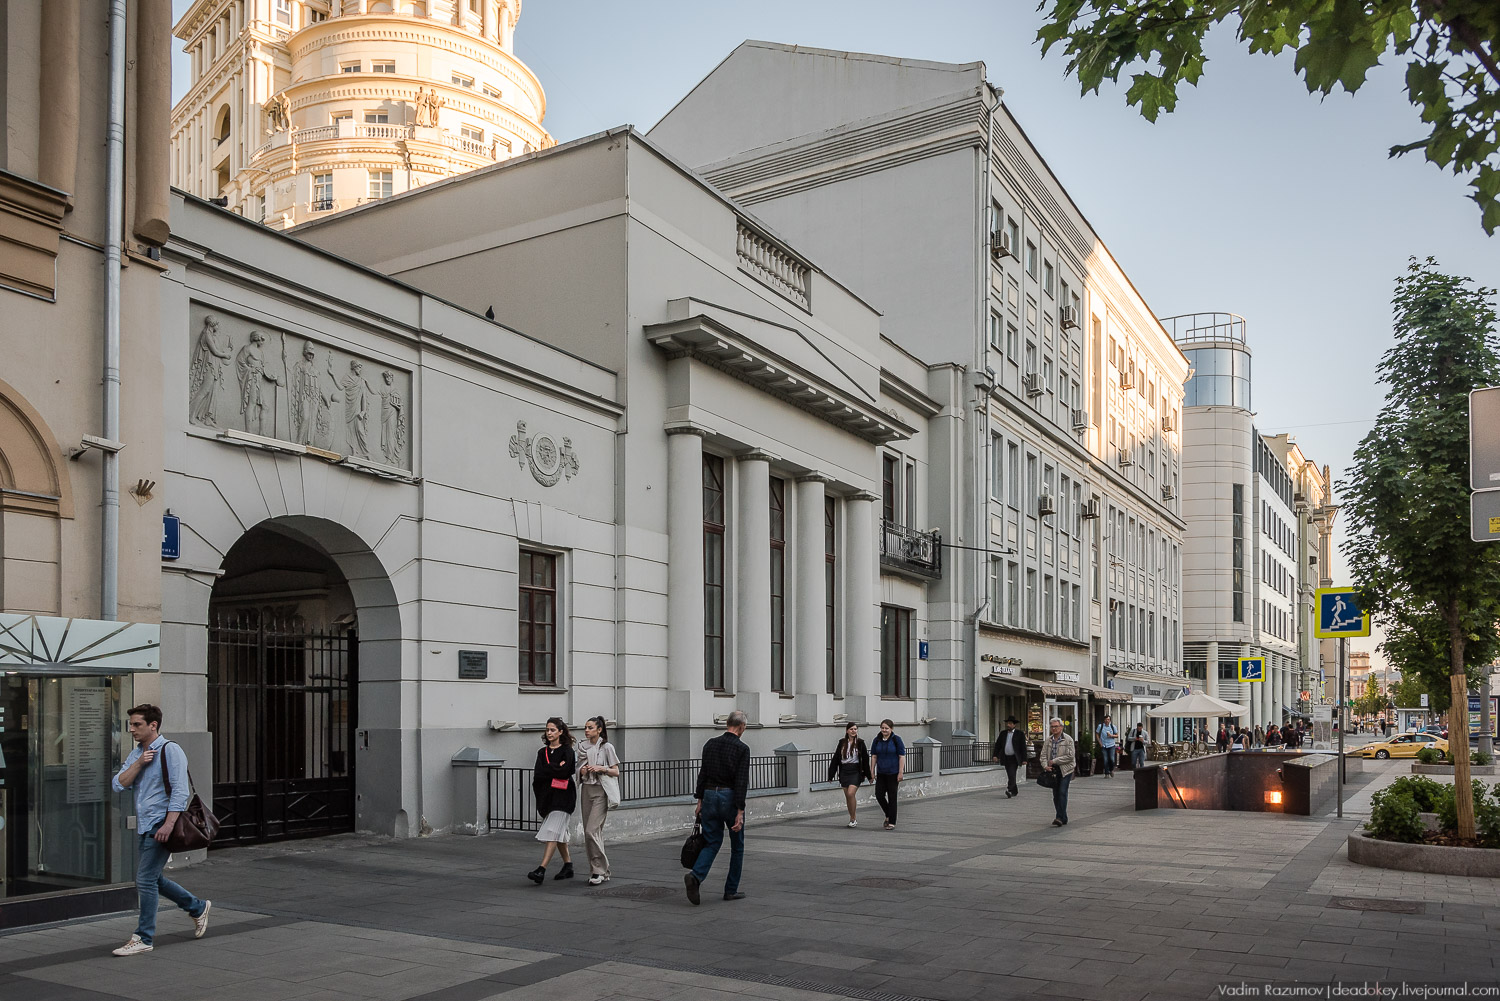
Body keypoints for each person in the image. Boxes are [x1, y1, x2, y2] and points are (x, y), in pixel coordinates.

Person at [109, 704, 211, 956]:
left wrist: (168, 824)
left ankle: (144, 936)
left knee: (144, 878)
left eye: (137, 724)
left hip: (161, 824)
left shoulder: (170, 750)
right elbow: (118, 785)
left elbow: (180, 791)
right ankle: (197, 907)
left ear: (153, 725)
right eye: (130, 724)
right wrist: (139, 764)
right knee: (153, 877)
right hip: (145, 825)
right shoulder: (137, 755)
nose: (131, 729)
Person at [686, 710, 750, 905]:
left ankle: (696, 876)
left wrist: (700, 801)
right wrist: (740, 811)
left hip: (709, 796)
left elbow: (703, 773)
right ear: (741, 727)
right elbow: (741, 781)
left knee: (712, 841)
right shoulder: (742, 748)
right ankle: (731, 890)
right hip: (729, 796)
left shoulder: (710, 744)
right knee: (737, 845)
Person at [528, 717, 577, 884]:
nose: (549, 733)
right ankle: (568, 865)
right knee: (558, 833)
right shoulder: (542, 753)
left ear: (560, 732)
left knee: (552, 831)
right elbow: (539, 775)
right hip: (549, 797)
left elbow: (566, 771)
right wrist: (556, 768)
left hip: (564, 798)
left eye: (553, 730)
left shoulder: (567, 751)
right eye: (547, 730)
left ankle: (541, 869)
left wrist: (551, 769)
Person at [576, 715, 620, 886]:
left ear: (599, 730)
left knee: (590, 831)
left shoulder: (607, 747)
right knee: (593, 834)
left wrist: (602, 768)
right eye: (585, 728)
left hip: (601, 791)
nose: (587, 731)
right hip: (587, 789)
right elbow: (577, 768)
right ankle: (600, 871)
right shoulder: (581, 747)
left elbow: (616, 771)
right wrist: (583, 770)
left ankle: (599, 870)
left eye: (590, 728)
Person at [826, 722, 872, 827]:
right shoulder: (842, 743)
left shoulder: (860, 743)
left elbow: (865, 759)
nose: (853, 731)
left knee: (851, 793)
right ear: (847, 731)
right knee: (847, 796)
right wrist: (831, 775)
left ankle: (853, 817)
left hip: (855, 770)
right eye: (851, 729)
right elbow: (836, 759)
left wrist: (869, 775)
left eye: (855, 729)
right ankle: (852, 818)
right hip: (844, 771)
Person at [870, 719, 906, 827]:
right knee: (879, 795)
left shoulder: (896, 740)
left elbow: (901, 756)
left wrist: (900, 772)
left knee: (892, 797)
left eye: (886, 728)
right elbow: (874, 756)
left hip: (893, 773)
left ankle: (891, 822)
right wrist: (872, 771)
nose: (884, 730)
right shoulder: (877, 740)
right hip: (881, 772)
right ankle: (888, 814)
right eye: (882, 728)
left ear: (891, 729)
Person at [1043, 718, 1075, 827]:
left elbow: (1070, 757)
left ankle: (1059, 817)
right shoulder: (1048, 740)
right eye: (1052, 727)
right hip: (1053, 770)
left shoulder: (1068, 739)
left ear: (1061, 727)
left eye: (1056, 726)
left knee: (1062, 792)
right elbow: (1043, 755)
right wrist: (1045, 766)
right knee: (1056, 794)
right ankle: (1063, 817)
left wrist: (1055, 761)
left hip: (1066, 769)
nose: (1054, 729)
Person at [992, 716, 1026, 798]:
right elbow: (998, 745)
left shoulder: (1019, 734)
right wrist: (995, 755)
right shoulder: (1003, 733)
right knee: (1010, 774)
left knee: (1012, 774)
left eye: (1010, 723)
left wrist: (1024, 759)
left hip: (1014, 758)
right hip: (1006, 757)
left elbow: (1023, 747)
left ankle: (1009, 790)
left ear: (1014, 725)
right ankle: (1014, 790)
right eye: (1007, 723)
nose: (1008, 725)